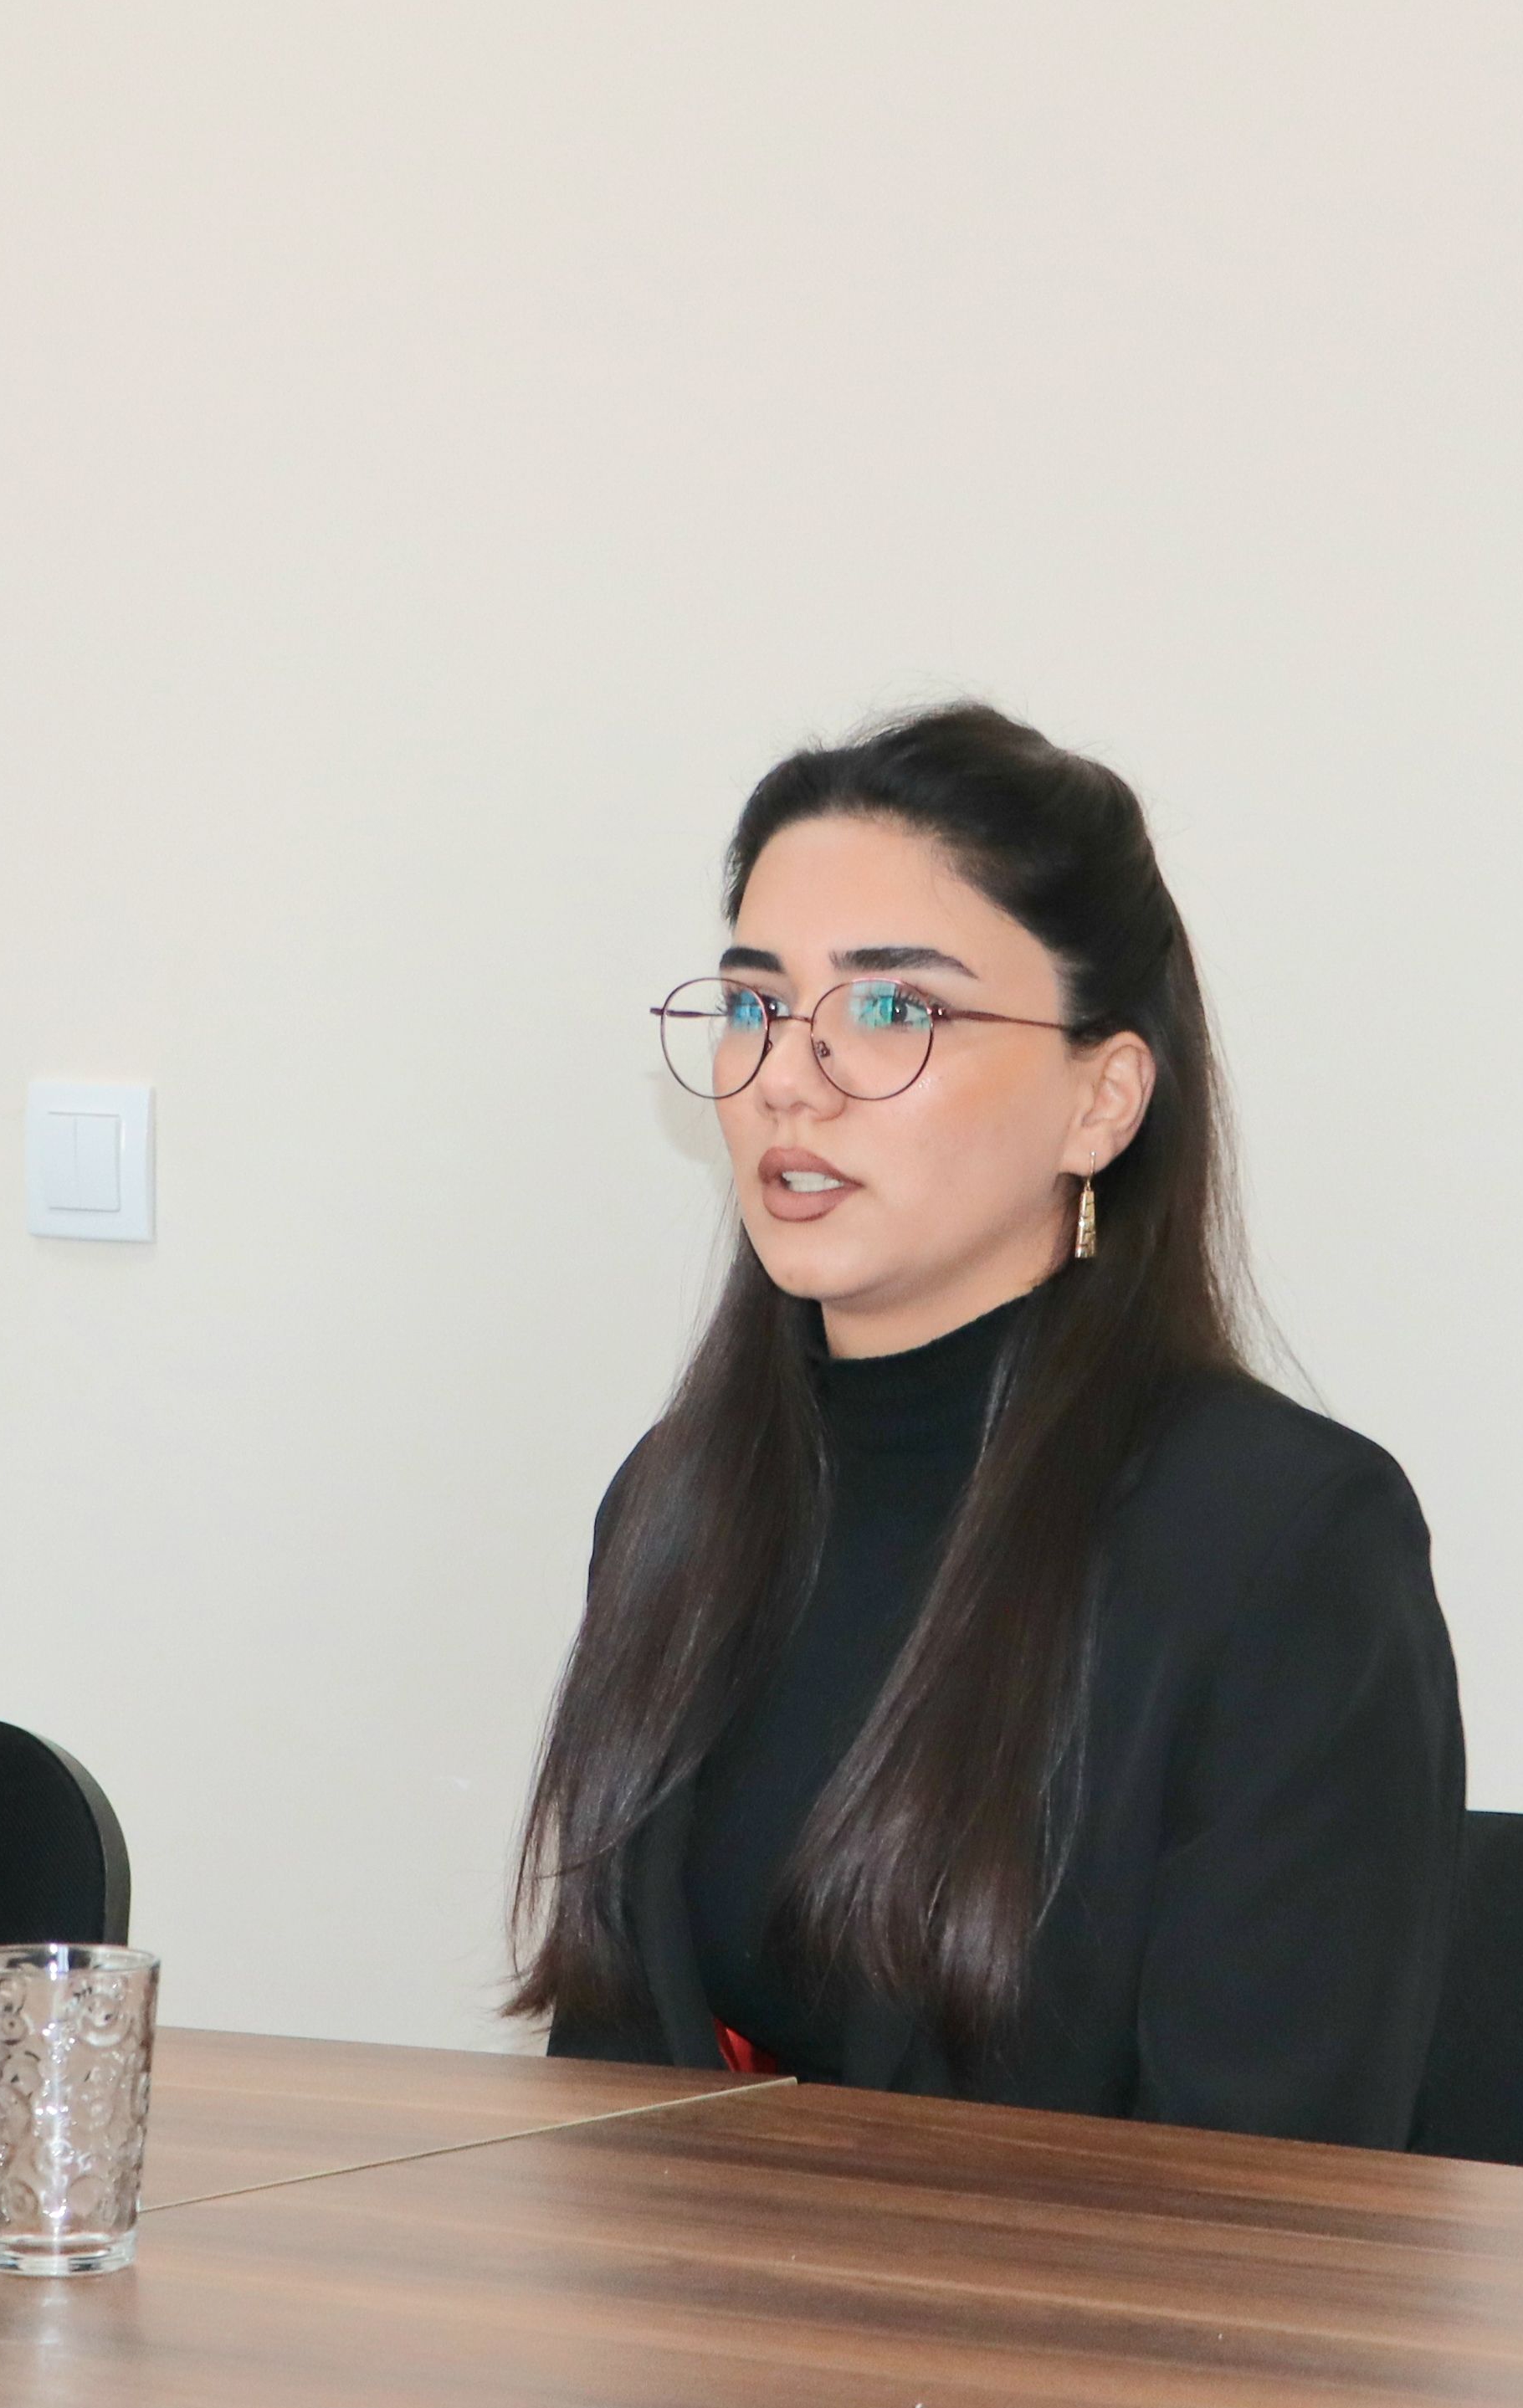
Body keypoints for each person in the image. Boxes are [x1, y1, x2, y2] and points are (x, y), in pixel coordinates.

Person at [514, 704, 1460, 2140]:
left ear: (1102, 1099)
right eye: (755, 1006)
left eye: (893, 1009)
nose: (787, 1077)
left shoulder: (1278, 1544)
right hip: (696, 2288)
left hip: (1078, 2296)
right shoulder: (674, 1499)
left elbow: (1266, 2196)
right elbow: (611, 2081)